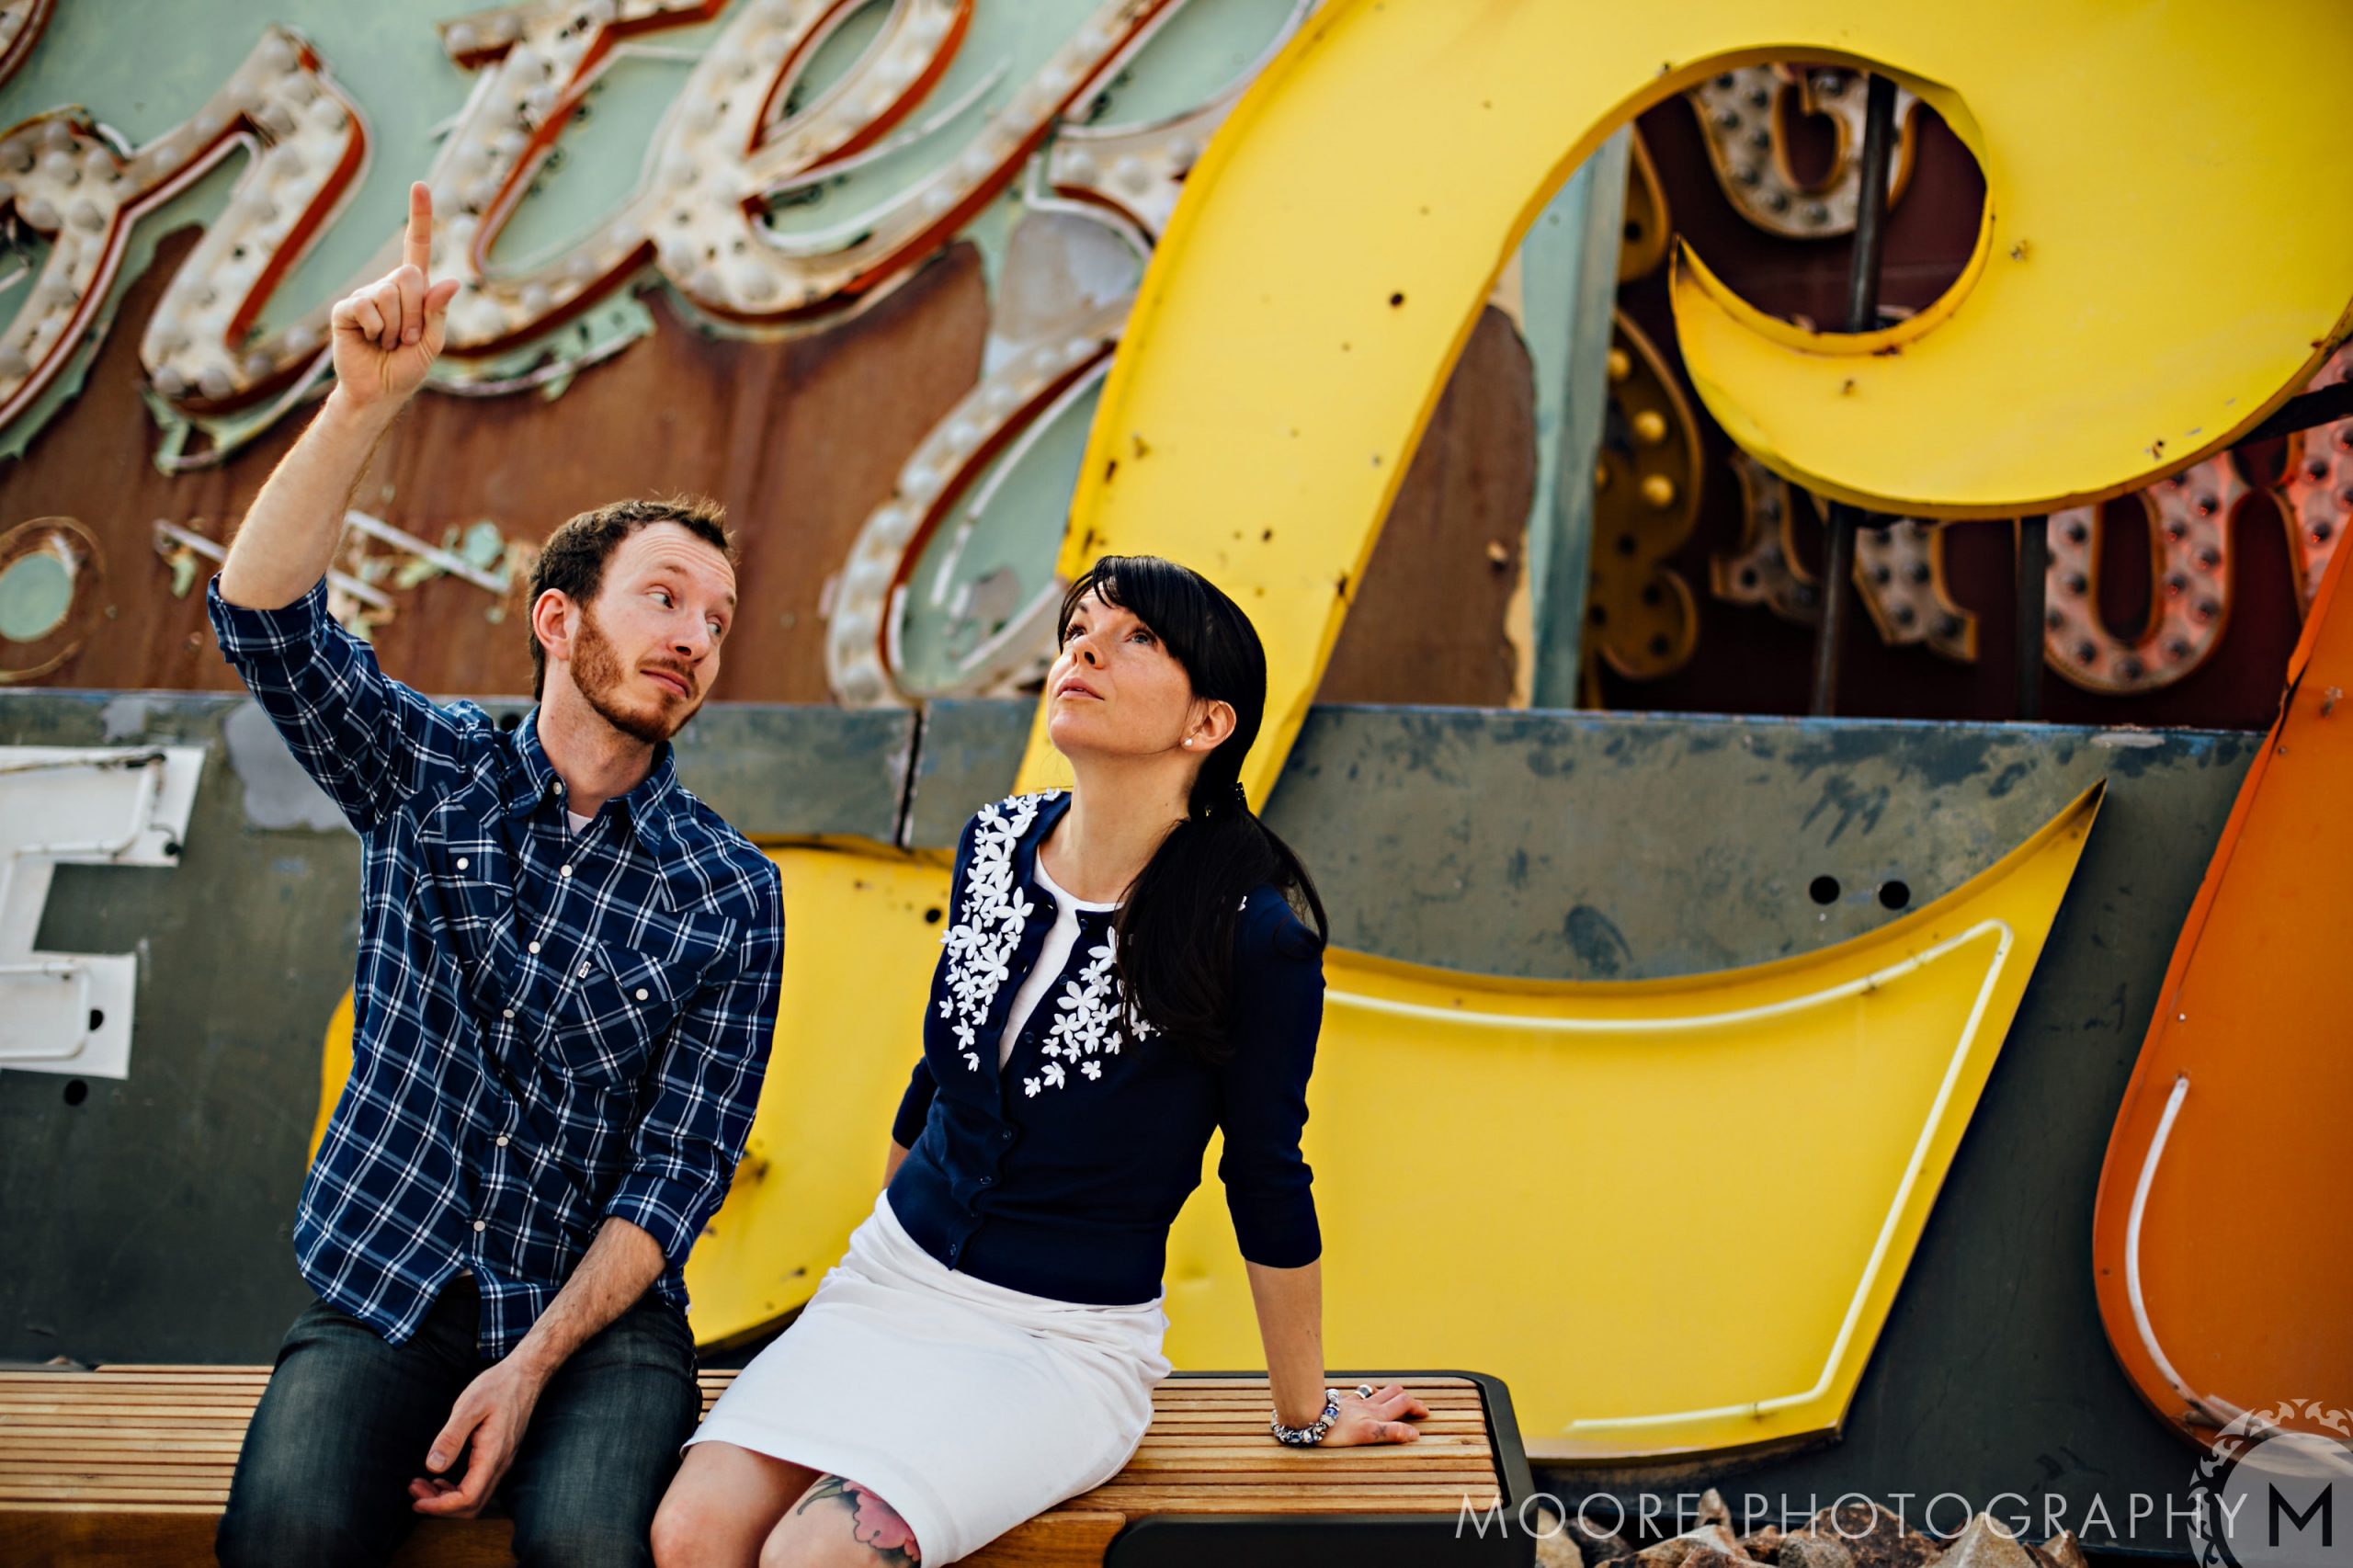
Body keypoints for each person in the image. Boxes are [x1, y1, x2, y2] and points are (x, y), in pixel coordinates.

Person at [209, 182, 785, 1568]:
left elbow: (678, 1173)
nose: (693, 637)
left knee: (594, 1548)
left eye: (715, 619)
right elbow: (262, 618)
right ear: (557, 617)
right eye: (661, 596)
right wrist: (361, 404)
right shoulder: (431, 767)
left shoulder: (728, 889)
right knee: (283, 1534)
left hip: (597, 1330)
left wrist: (528, 1365)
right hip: (386, 1280)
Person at [650, 554, 1424, 1568]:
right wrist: (886, 1255)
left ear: (1207, 724)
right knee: (690, 1534)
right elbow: (936, 1073)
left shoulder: (1252, 935)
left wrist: (1307, 1412)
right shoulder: (994, 842)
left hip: (1060, 1345)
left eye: (1138, 638)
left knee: (817, 1556)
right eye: (1079, 631)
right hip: (892, 1284)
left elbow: (1266, 1176)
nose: (1087, 648)